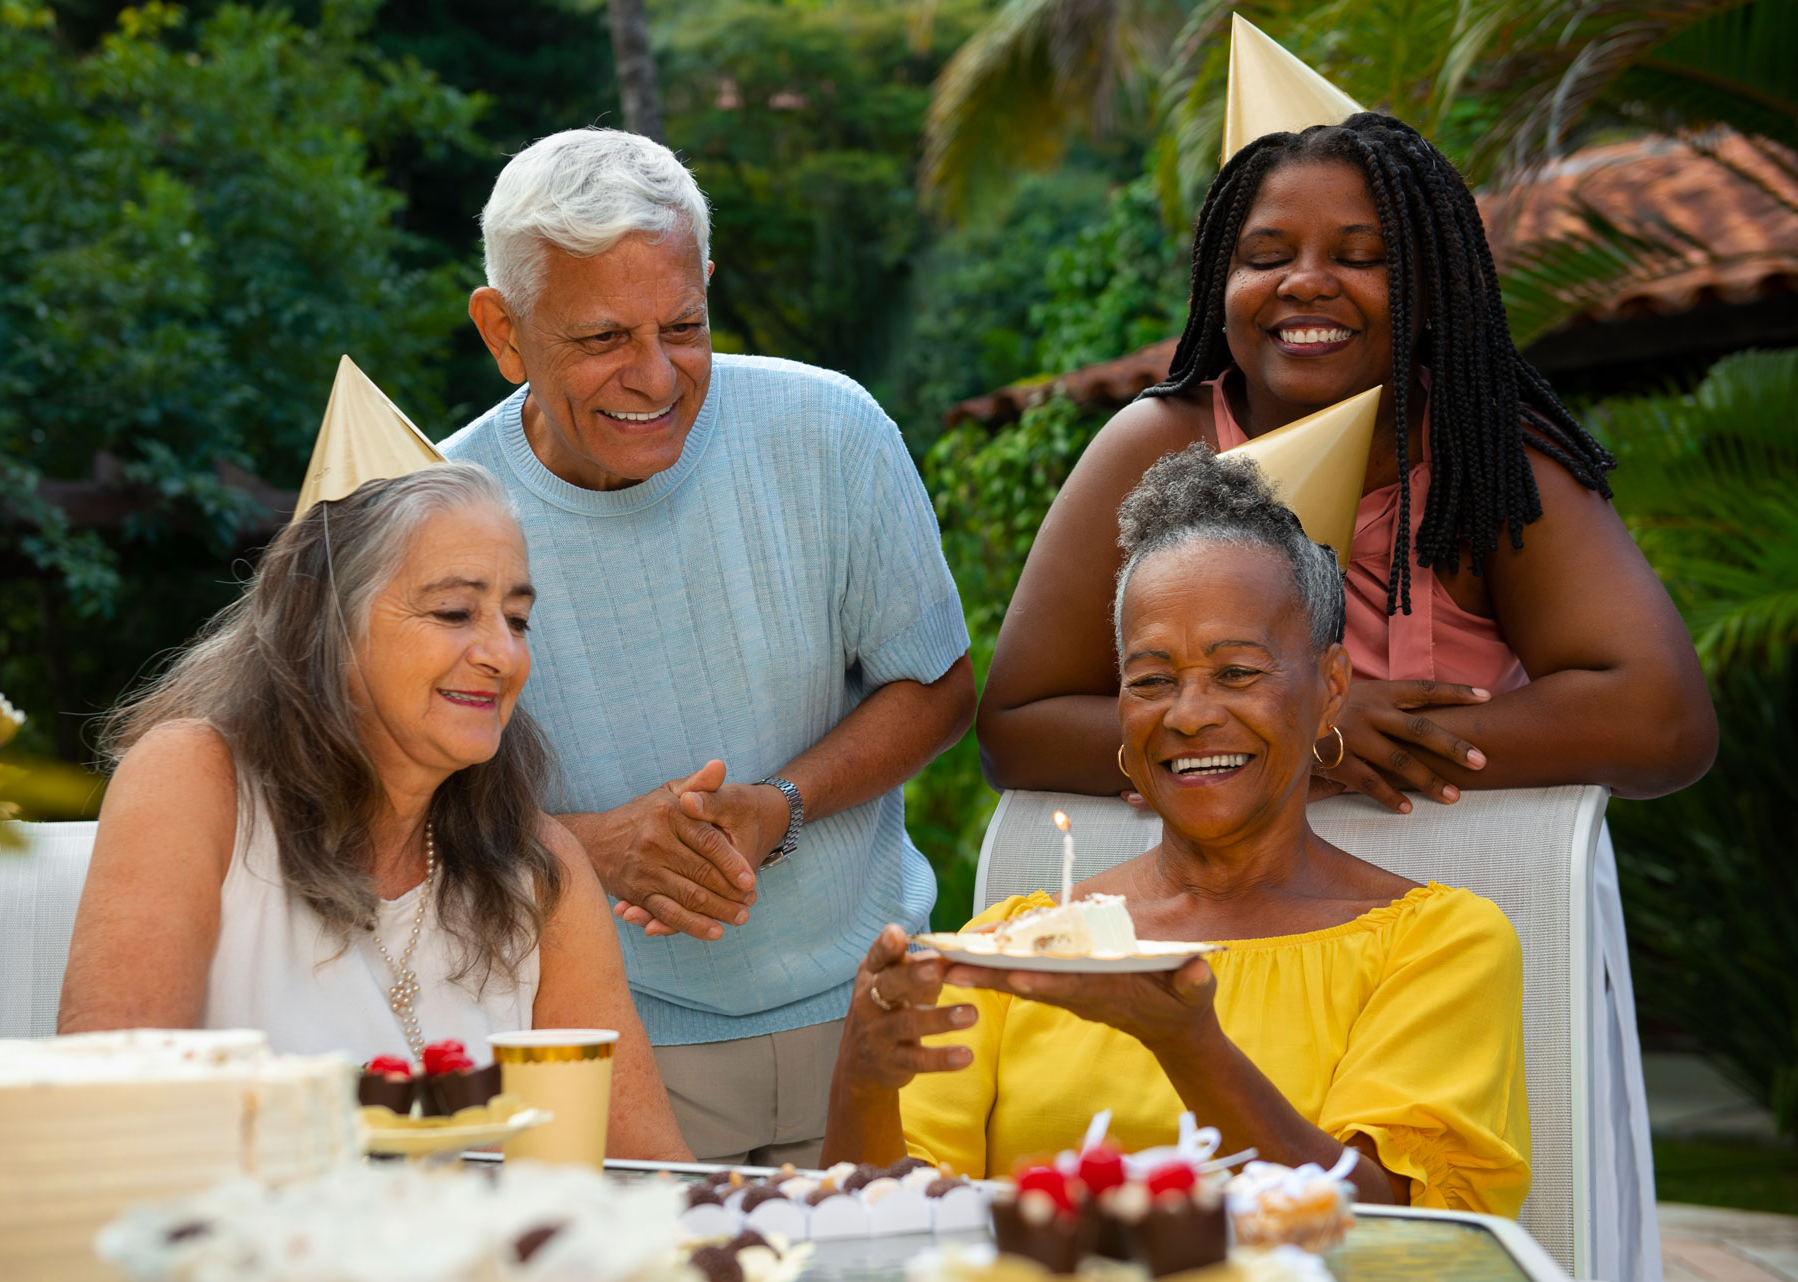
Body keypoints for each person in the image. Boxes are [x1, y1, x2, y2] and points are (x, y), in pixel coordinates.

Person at [976, 112, 1703, 1282]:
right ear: (1219, 284)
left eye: (1361, 255)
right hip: (1200, 904)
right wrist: (1296, 738)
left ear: (1430, 287)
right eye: (1266, 254)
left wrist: (1344, 731)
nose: (1307, 281)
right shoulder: (1155, 442)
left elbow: (1661, 716)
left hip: (1468, 914)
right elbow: (1017, 722)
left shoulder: (1483, 450)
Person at [442, 127, 974, 1165]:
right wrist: (587, 849)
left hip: (871, 1020)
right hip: (600, 1047)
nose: (656, 376)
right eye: (603, 339)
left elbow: (939, 688)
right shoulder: (438, 511)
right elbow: (388, 807)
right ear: (505, 332)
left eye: (684, 325)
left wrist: (782, 804)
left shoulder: (833, 429)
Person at [824, 446, 1531, 1216]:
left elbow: (1400, 1235)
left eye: (1237, 673)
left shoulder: (1436, 944)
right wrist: (860, 1081)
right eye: (1153, 680)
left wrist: (1189, 1047)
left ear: (1331, 688)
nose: (1189, 715)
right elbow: (879, 1226)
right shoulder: (1009, 952)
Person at [58, 459, 690, 1161]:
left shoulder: (540, 866)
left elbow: (649, 1168)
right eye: (454, 612)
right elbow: (112, 1117)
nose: (503, 655)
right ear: (327, 624)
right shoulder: (194, 778)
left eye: (517, 620)